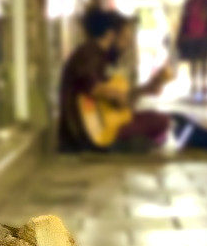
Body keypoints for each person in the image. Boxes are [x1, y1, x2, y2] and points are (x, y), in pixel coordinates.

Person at [58, 9, 170, 152]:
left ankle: (132, 143)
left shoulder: (97, 55)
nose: (127, 45)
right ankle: (122, 144)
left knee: (156, 119)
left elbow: (112, 99)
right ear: (111, 36)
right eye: (125, 39)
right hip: (87, 132)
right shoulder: (88, 54)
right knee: (160, 121)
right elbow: (94, 88)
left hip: (94, 127)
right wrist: (118, 95)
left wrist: (145, 89)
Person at [177, 0, 207, 100]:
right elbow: (184, 18)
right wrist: (182, 33)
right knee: (194, 61)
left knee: (204, 61)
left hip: (204, 36)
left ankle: (204, 83)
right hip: (192, 36)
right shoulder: (190, 2)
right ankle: (194, 83)